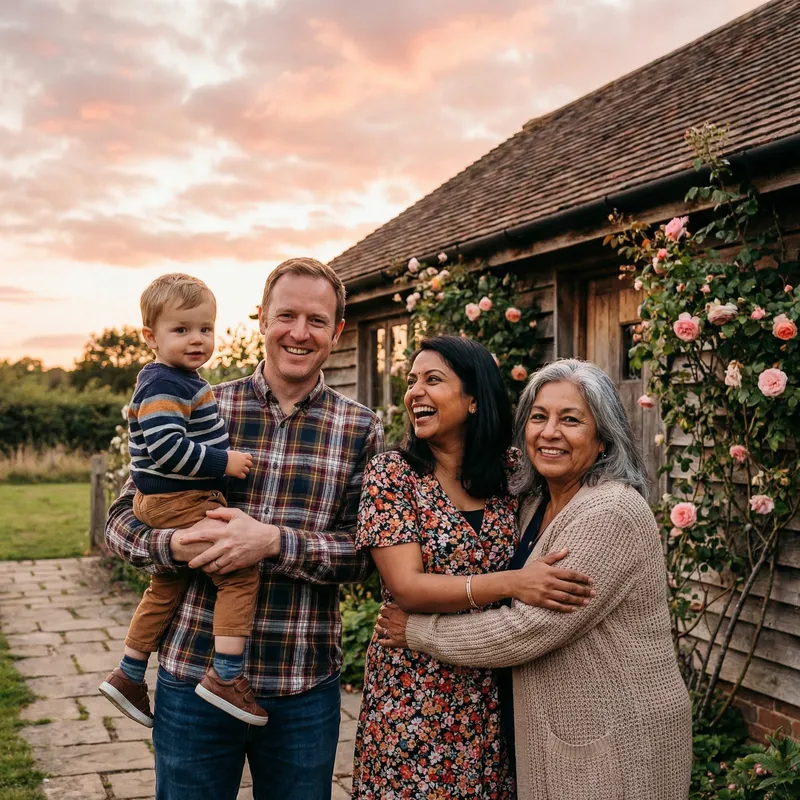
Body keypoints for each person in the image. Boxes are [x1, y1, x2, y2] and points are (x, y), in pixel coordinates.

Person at [105, 257, 383, 800]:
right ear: (260, 319)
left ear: (337, 331)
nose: (299, 333)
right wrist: (174, 545)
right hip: (191, 676)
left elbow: (366, 554)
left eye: (317, 320)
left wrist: (275, 542)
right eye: (286, 315)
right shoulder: (201, 401)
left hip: (301, 683)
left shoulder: (361, 428)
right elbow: (122, 517)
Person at [377, 358, 693, 800]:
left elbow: (527, 629)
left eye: (571, 420)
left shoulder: (610, 512)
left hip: (618, 732)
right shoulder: (532, 502)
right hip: (563, 728)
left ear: (603, 438)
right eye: (539, 417)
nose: (549, 432)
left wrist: (417, 630)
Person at [352, 337, 596, 800]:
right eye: (411, 382)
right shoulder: (393, 474)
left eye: (433, 380)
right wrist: (514, 583)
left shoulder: (513, 474)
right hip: (415, 692)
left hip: (498, 685)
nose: (415, 392)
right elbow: (406, 587)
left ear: (473, 399)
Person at [99, 273, 266, 729]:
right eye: (182, 330)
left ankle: (130, 673)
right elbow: (167, 449)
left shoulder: (180, 380)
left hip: (169, 500)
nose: (197, 339)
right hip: (179, 498)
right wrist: (224, 462)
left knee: (165, 585)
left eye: (205, 329)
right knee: (239, 571)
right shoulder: (164, 385)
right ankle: (226, 676)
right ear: (151, 337)